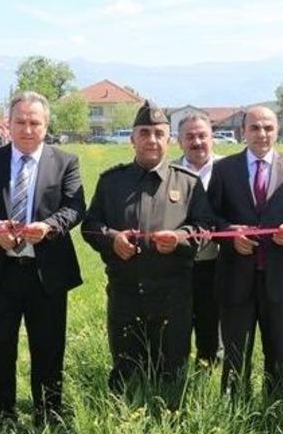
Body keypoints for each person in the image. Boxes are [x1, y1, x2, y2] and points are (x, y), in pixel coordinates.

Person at [0, 91, 85, 424]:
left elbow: (75, 208)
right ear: (8, 124)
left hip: (46, 271)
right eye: (21, 121)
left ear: (46, 126)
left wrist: (48, 226)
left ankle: (47, 413)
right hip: (0, 269)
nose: (28, 129)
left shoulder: (65, 162)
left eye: (35, 122)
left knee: (48, 347)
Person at [82, 100, 213, 392]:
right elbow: (90, 226)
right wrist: (112, 238)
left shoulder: (188, 183)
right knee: (126, 371)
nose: (151, 140)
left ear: (169, 139)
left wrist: (179, 239)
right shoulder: (111, 182)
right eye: (144, 133)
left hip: (173, 296)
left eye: (158, 133)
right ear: (132, 138)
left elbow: (206, 228)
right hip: (125, 293)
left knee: (172, 374)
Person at [207, 106, 283, 397]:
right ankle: (233, 408)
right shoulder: (223, 169)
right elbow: (209, 217)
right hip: (235, 277)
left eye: (268, 127)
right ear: (243, 131)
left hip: (280, 279)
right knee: (234, 356)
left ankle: (276, 407)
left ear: (278, 130)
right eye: (255, 128)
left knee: (278, 353)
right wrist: (230, 235)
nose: (262, 134)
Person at [174, 112, 222, 366]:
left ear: (212, 138)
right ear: (179, 141)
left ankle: (210, 369)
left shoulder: (229, 169)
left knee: (212, 321)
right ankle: (174, 370)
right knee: (177, 321)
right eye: (190, 136)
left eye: (202, 135)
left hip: (218, 260)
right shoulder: (168, 171)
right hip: (177, 262)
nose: (197, 142)